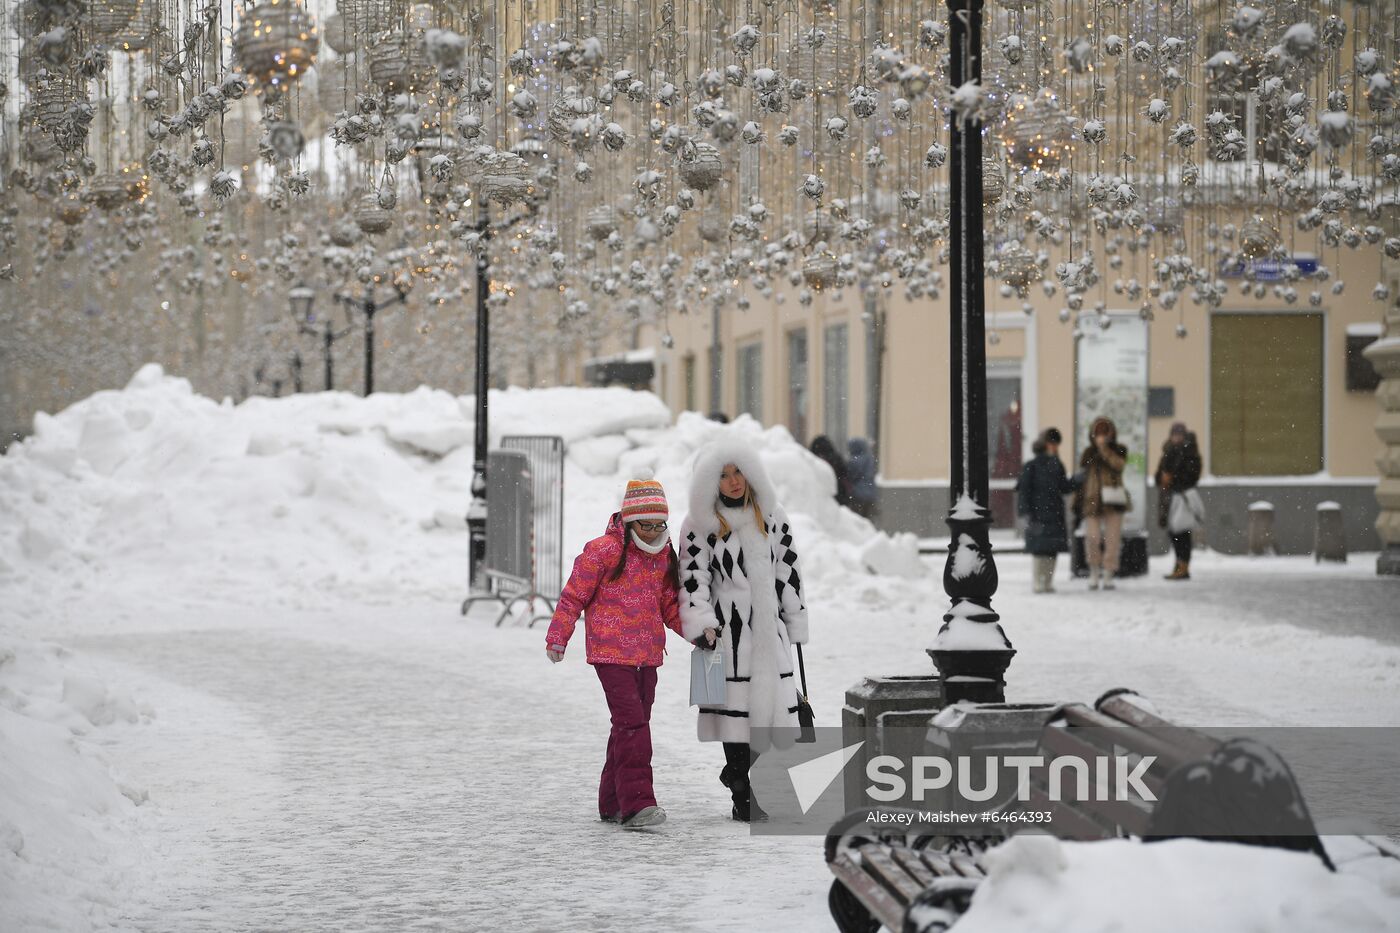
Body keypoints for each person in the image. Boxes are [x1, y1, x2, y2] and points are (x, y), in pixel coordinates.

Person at [677, 441, 809, 822]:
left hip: (769, 628)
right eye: (723, 475)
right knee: (732, 714)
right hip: (724, 632)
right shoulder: (700, 523)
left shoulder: (771, 515)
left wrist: (795, 617)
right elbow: (692, 577)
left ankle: (735, 775)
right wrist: (702, 623)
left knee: (770, 713)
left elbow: (789, 571)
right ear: (709, 482)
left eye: (738, 472)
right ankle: (742, 796)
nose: (733, 482)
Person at [545, 479, 687, 830]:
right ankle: (637, 804)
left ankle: (611, 801)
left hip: (648, 655)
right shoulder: (603, 551)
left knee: (629, 726)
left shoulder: (664, 556)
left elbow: (670, 605)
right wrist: (559, 635)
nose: (654, 533)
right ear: (629, 521)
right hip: (611, 655)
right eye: (646, 525)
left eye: (660, 525)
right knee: (632, 723)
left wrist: (700, 635)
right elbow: (573, 596)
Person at [1073, 416, 1129, 590]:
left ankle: (1108, 573)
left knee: (1112, 539)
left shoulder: (1119, 450)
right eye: (1098, 433)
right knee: (1092, 538)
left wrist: (1104, 449)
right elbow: (1082, 474)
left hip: (1113, 500)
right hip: (1092, 500)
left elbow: (1118, 466)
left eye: (1105, 432)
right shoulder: (1089, 453)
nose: (1101, 436)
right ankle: (1094, 571)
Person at [1017, 428, 1074, 593]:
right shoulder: (1031, 465)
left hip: (1054, 512)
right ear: (1044, 444)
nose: (1054, 447)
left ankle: (1047, 582)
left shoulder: (1057, 464)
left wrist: (1077, 481)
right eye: (1051, 443)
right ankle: (1038, 582)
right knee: (1039, 550)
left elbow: (1064, 487)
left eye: (1056, 443)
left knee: (1052, 549)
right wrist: (1026, 513)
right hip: (1038, 514)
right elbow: (1024, 491)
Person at [1155, 422, 1203, 580]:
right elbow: (1159, 475)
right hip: (1169, 497)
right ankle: (1179, 564)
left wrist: (1173, 478)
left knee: (1182, 532)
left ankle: (1183, 567)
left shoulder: (1190, 453)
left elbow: (1192, 476)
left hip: (1183, 497)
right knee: (1173, 532)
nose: (1176, 438)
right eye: (1174, 434)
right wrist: (1163, 479)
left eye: (1179, 435)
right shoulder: (1167, 452)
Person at [809, 434, 853, 507]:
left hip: (823, 496)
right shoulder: (836, 458)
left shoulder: (814, 460)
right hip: (839, 494)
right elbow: (845, 475)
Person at [846, 437, 879, 519]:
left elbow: (851, 475)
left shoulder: (855, 460)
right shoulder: (869, 458)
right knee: (867, 520)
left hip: (858, 494)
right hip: (870, 494)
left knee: (857, 520)